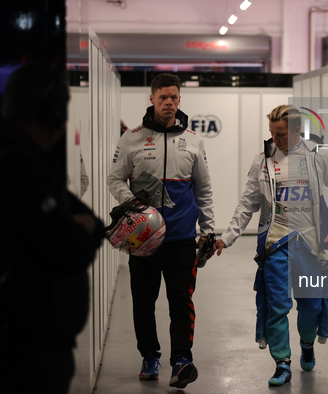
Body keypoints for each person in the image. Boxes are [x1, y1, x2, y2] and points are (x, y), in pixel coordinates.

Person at [214, 105, 328, 386]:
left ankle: (307, 343)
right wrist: (227, 237)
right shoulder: (262, 160)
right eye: (272, 134)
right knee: (277, 306)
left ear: (298, 131)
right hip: (275, 243)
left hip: (311, 244)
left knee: (311, 306)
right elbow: (248, 203)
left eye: (281, 134)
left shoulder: (318, 156)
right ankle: (282, 363)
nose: (274, 140)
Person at [0, 62, 105, 393]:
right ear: (53, 112)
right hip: (27, 346)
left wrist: (82, 226)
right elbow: (72, 248)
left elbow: (92, 224)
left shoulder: (32, 161)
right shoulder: (21, 167)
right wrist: (80, 228)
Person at [107, 73, 214, 389]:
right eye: (164, 97)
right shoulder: (132, 138)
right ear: (152, 99)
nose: (169, 102)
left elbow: (203, 188)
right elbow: (114, 179)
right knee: (143, 300)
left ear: (180, 100)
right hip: (142, 238)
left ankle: (181, 359)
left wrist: (207, 229)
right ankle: (149, 355)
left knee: (181, 300)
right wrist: (134, 205)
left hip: (182, 239)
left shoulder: (193, 139)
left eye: (175, 97)